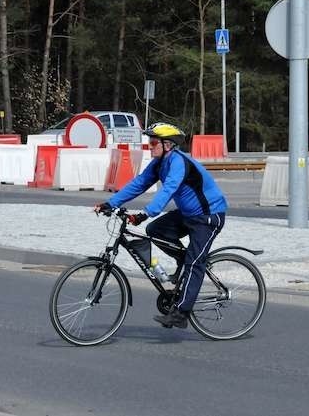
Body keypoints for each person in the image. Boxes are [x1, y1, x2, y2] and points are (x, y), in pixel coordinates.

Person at [94, 123, 227, 329]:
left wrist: (145, 213)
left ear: (168, 144)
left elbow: (168, 190)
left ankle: (181, 313)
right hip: (187, 214)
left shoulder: (178, 162)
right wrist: (111, 203)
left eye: (154, 142)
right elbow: (139, 184)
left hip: (208, 217)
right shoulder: (159, 163)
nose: (150, 146)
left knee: (194, 263)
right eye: (150, 141)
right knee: (155, 230)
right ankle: (185, 260)